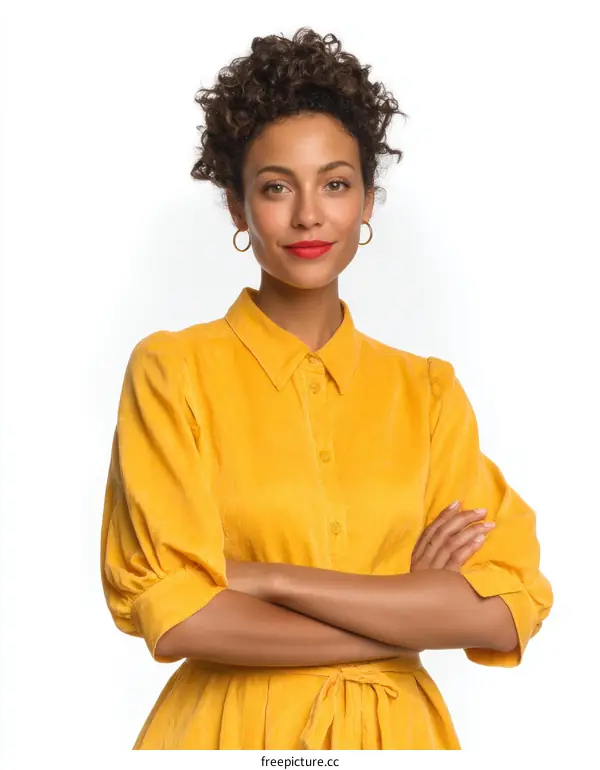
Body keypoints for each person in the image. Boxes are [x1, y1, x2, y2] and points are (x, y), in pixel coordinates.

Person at [99, 27, 553, 750]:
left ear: (368, 200)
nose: (309, 215)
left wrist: (268, 579)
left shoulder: (427, 393)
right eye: (276, 187)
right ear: (238, 209)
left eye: (336, 183)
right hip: (230, 735)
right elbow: (181, 617)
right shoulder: (173, 371)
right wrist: (405, 607)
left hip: (396, 742)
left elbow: (507, 608)